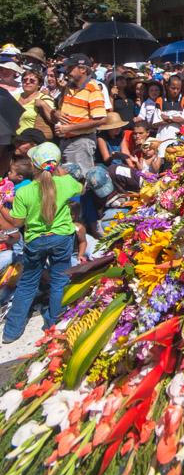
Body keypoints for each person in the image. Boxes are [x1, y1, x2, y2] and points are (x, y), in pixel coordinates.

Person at [2, 142, 82, 342]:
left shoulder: (25, 192)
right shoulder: (66, 182)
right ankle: (55, 324)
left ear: (34, 166)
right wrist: (61, 172)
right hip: (62, 238)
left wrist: (2, 209)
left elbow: (16, 222)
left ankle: (11, 332)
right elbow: (80, 189)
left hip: (35, 241)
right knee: (59, 281)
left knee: (27, 283)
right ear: (56, 165)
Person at [53, 53, 107, 176]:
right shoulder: (68, 87)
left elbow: (101, 120)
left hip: (81, 142)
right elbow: (60, 110)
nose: (67, 71)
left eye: (70, 68)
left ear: (82, 69)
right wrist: (57, 113)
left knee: (81, 178)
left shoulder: (93, 88)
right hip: (66, 141)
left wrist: (69, 128)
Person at [152, 74, 184, 154]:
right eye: (173, 88)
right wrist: (178, 119)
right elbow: (155, 123)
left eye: (178, 89)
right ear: (167, 86)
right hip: (162, 138)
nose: (175, 91)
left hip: (180, 139)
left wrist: (168, 118)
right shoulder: (160, 101)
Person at [15, 68, 55, 139]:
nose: (27, 82)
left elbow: (53, 120)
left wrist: (43, 104)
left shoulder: (44, 99)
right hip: (14, 139)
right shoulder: (15, 97)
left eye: (32, 81)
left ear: (39, 84)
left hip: (32, 141)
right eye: (24, 80)